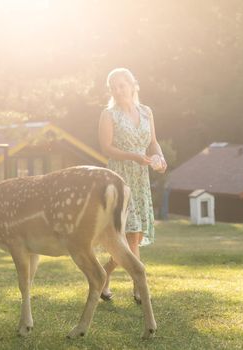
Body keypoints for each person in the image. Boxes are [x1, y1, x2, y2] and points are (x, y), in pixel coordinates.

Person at [97, 68, 167, 303]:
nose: (119, 90)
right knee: (130, 234)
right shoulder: (109, 115)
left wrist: (160, 157)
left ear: (132, 85)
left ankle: (102, 276)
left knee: (132, 239)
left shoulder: (147, 112)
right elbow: (106, 148)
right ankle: (139, 287)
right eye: (114, 87)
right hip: (119, 178)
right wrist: (134, 157)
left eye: (122, 85)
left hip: (141, 179)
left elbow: (154, 143)